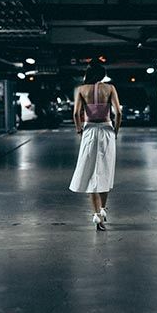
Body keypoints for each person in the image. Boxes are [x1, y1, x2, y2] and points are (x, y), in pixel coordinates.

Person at [69, 63, 122, 231]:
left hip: (89, 131)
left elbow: (76, 113)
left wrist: (79, 129)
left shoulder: (82, 90)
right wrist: (116, 130)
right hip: (106, 131)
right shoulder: (110, 88)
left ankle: (96, 215)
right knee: (105, 170)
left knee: (91, 171)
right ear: (102, 74)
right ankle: (103, 210)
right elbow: (118, 112)